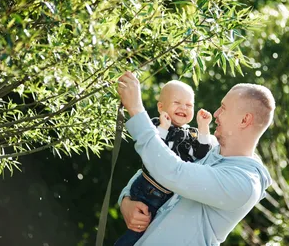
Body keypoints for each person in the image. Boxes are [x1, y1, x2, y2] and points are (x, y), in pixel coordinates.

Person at [116, 71, 275, 245]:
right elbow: (153, 167)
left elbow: (173, 172)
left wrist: (136, 109)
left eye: (223, 108)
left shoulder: (243, 183)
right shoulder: (208, 147)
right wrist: (126, 201)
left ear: (244, 120)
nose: (215, 113)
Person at [115, 80, 215, 246]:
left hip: (168, 197)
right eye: (177, 103)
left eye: (189, 105)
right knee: (136, 232)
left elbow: (201, 153)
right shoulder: (157, 125)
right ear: (161, 107)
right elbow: (153, 151)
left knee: (151, 234)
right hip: (147, 190)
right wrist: (163, 127)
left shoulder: (191, 134)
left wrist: (204, 128)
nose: (183, 108)